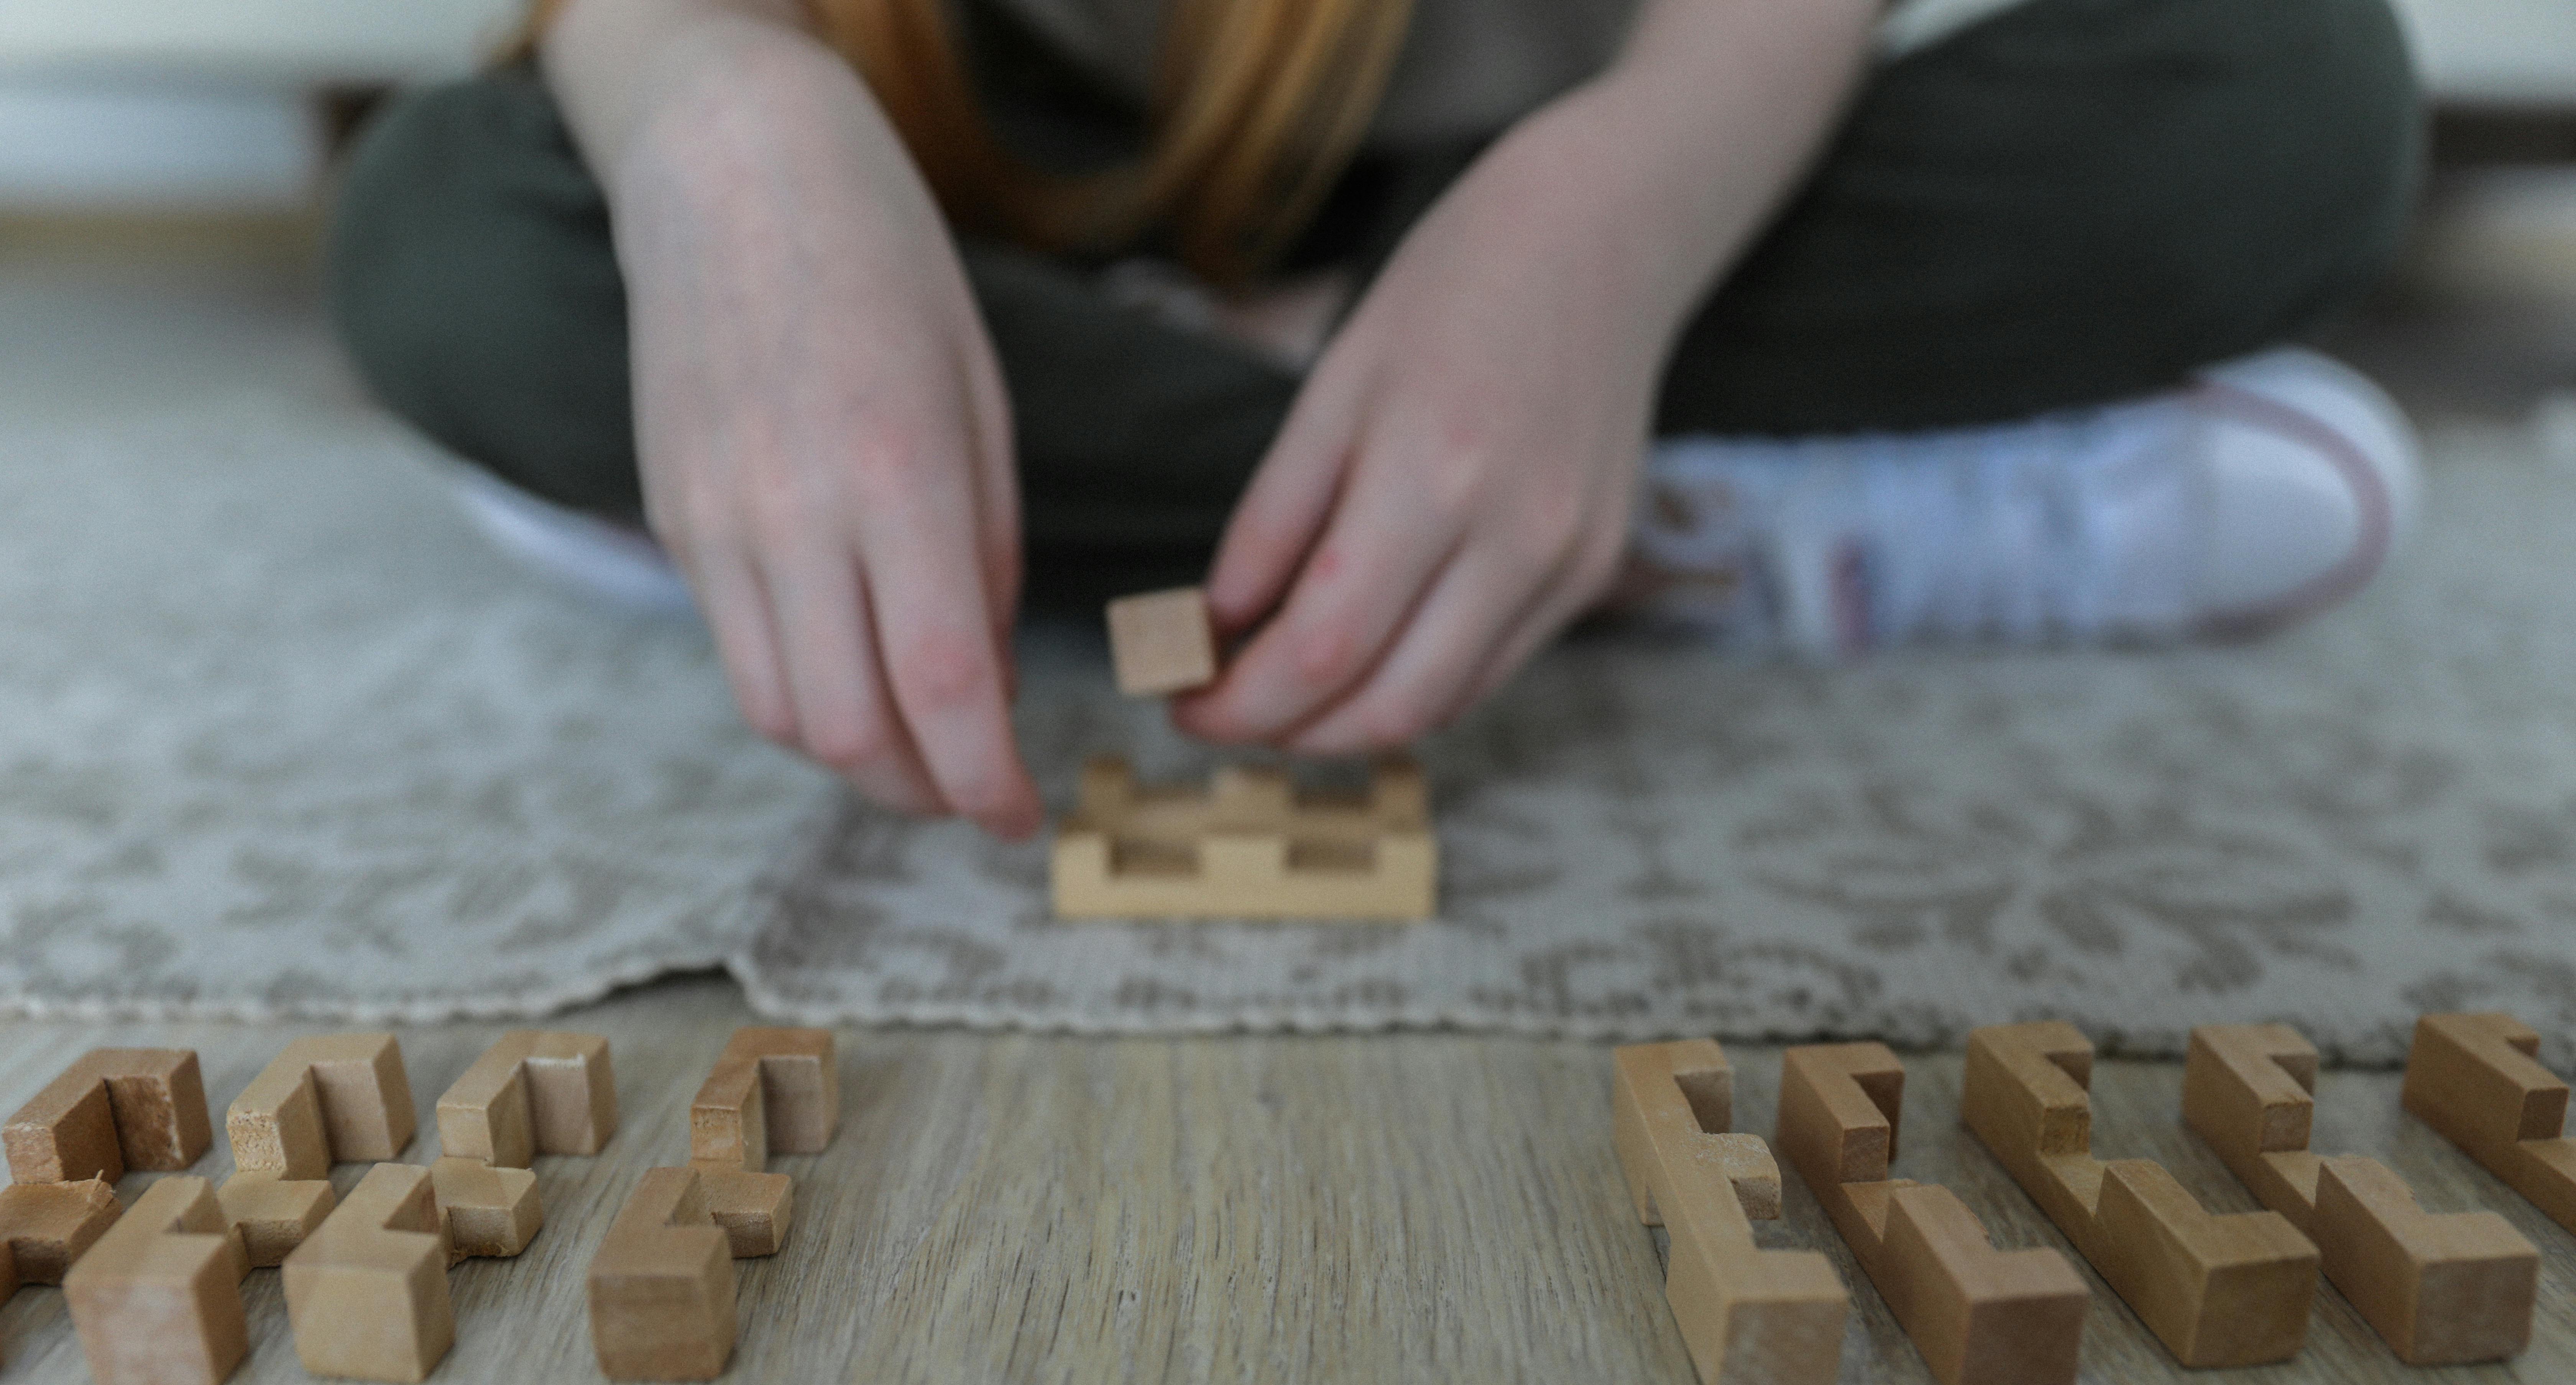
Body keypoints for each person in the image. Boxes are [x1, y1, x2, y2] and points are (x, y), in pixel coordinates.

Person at [329, 0, 2424, 841]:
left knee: (2286, 95)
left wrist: (1613, 219)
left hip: (1533, 156)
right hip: (956, 197)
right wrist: (726, 125)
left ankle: (856, 491)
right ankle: (1684, 523)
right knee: (455, 243)